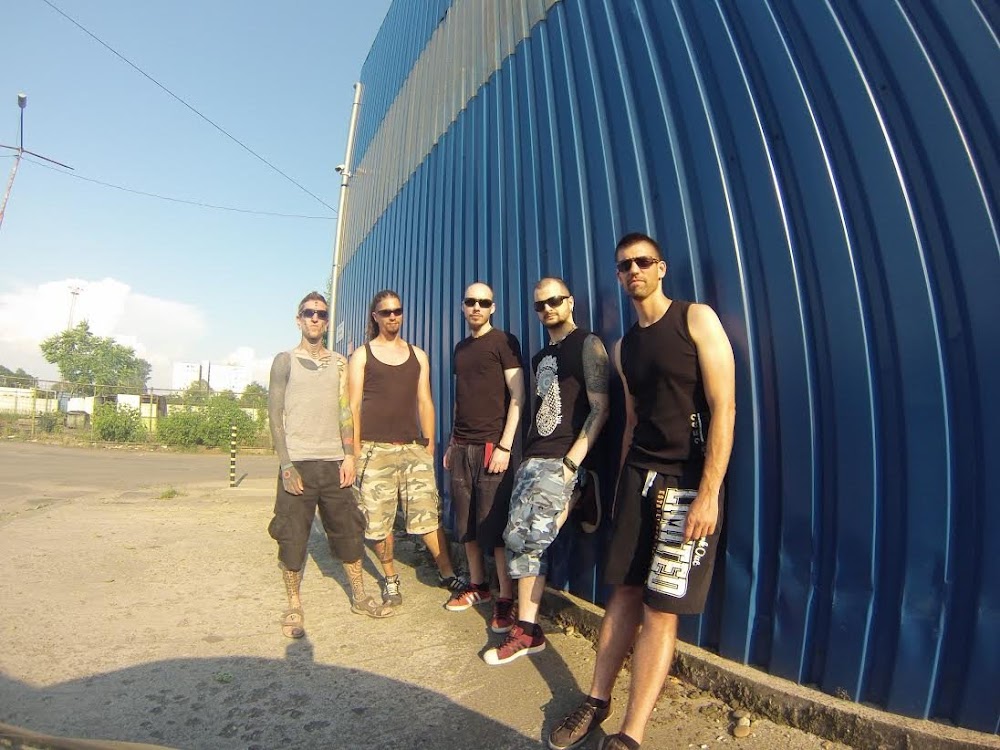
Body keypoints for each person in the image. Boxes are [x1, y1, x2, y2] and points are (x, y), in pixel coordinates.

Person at [548, 232, 736, 750]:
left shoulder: (696, 319)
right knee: (625, 592)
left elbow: (724, 408)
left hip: (688, 483)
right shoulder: (624, 347)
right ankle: (596, 700)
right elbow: (631, 422)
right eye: (624, 265)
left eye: (643, 262)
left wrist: (709, 493)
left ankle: (630, 734)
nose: (634, 271)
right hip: (638, 480)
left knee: (660, 606)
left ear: (661, 268)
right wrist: (620, 490)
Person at [483, 277, 610, 666]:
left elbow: (600, 407)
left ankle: (526, 629)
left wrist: (572, 464)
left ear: (569, 302)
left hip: (561, 459)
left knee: (531, 541)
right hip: (533, 459)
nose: (547, 309)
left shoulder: (588, 344)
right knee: (515, 539)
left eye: (554, 301)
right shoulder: (540, 357)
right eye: (540, 305)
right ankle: (528, 629)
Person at [267, 291, 393, 639]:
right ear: (298, 319)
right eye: (309, 313)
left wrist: (349, 455)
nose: (315, 318)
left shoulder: (339, 363)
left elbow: (345, 411)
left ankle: (360, 597)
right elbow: (274, 415)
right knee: (292, 536)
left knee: (349, 531)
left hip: (335, 462)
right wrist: (286, 464)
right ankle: (294, 604)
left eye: (321, 314)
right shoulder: (284, 361)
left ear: (326, 321)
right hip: (298, 463)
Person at [348, 289, 465, 608]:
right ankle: (390, 578)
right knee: (379, 521)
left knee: (428, 516)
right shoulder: (362, 355)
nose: (393, 316)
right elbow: (353, 406)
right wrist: (354, 450)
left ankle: (447, 573)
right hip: (374, 450)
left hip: (413, 449)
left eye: (397, 311)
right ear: (375, 316)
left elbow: (425, 401)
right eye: (386, 312)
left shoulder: (418, 355)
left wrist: (429, 445)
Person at [443, 282, 525, 634]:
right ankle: (478, 586)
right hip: (462, 447)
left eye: (483, 302)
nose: (476, 307)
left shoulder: (503, 342)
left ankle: (505, 598)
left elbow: (519, 394)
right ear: (463, 307)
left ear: (493, 307)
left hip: (493, 449)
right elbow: (460, 398)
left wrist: (505, 446)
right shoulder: (461, 349)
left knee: (495, 528)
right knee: (466, 526)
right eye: (470, 302)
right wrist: (452, 442)